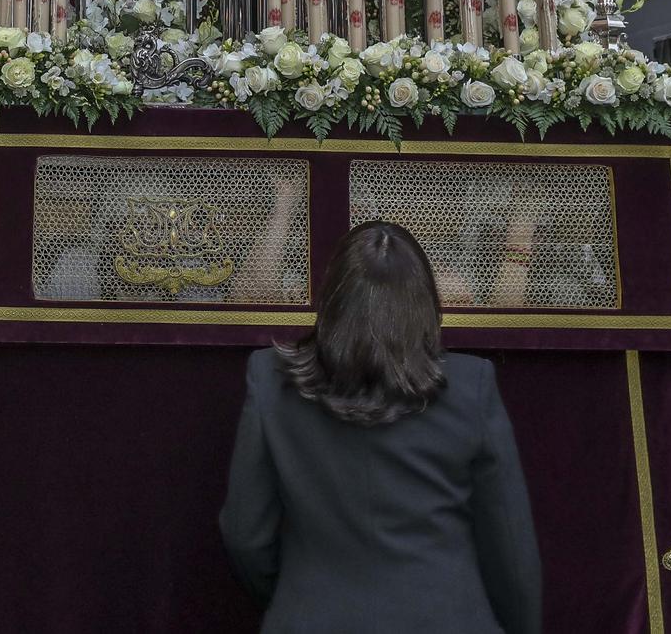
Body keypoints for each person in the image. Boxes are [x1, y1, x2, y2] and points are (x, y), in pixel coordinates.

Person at [218, 221, 540, 633]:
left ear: (332, 298)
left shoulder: (269, 379)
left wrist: (304, 595)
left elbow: (245, 535)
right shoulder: (471, 387)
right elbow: (510, 550)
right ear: (424, 303)